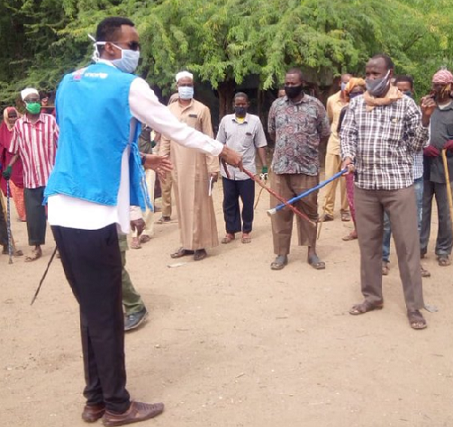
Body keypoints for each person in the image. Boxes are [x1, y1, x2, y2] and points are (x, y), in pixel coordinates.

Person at [44, 16, 241, 426]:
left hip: (61, 209)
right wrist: (221, 149)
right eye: (133, 44)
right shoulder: (128, 85)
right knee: (108, 314)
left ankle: (95, 398)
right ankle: (118, 405)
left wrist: (140, 158)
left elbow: (90, 139)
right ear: (111, 48)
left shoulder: (68, 82)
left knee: (91, 310)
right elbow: (174, 128)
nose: (138, 52)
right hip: (94, 213)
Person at [341, 53, 435, 330]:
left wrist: (426, 119)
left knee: (407, 248)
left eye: (375, 73)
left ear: (389, 74)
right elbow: (348, 136)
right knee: (368, 245)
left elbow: (417, 144)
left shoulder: (405, 105)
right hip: (366, 186)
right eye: (367, 73)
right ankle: (372, 297)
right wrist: (347, 158)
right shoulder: (357, 105)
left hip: (398, 187)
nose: (370, 78)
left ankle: (414, 307)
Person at [268, 67, 330, 270]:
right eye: (287, 83)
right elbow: (272, 132)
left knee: (309, 212)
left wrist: (307, 147)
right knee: (281, 212)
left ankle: (312, 252)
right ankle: (281, 254)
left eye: (294, 83)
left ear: (302, 83)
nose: (289, 86)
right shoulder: (276, 105)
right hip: (281, 169)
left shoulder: (315, 106)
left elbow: (324, 133)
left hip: (307, 168)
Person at [160, 71, 220, 261]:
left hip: (198, 165)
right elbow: (165, 138)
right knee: (183, 205)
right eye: (182, 84)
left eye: (189, 84)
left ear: (193, 86)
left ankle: (200, 245)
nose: (185, 87)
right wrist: (162, 160)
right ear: (177, 86)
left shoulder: (202, 109)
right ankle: (187, 244)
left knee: (199, 205)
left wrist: (213, 167)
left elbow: (209, 138)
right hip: (178, 165)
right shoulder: (169, 111)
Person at [381, 75, 430, 278]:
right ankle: (384, 259)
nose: (402, 93)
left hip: (414, 176)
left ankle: (413, 262)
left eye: (406, 89)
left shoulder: (421, 113)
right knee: (386, 222)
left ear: (412, 90)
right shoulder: (385, 113)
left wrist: (425, 119)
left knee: (414, 222)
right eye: (398, 89)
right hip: (391, 177)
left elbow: (425, 144)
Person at [3, 88, 59, 262]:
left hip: (52, 177)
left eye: (36, 99)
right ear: (24, 104)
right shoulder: (20, 126)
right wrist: (9, 167)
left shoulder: (50, 121)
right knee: (34, 217)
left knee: (57, 214)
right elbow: (16, 150)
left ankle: (61, 246)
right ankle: (36, 247)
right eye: (31, 100)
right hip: (31, 178)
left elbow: (62, 142)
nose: (35, 103)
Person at [216, 92, 268, 244]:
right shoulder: (226, 121)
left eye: (242, 104)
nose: (240, 107)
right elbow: (219, 144)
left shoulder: (255, 121)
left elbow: (260, 144)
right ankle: (230, 231)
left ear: (247, 104)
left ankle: (246, 230)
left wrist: (264, 168)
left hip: (247, 171)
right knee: (229, 202)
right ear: (233, 105)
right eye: (237, 104)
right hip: (228, 172)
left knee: (247, 202)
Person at [420, 69, 453, 267]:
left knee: (445, 211)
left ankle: (443, 249)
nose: (438, 88)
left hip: (448, 169)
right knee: (422, 210)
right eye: (436, 84)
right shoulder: (425, 105)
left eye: (442, 85)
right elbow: (415, 129)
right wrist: (424, 147)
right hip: (424, 167)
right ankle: (420, 247)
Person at [336, 78, 367, 242]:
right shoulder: (345, 111)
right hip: (351, 163)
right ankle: (358, 229)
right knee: (353, 200)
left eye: (360, 93)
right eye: (353, 94)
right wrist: (346, 158)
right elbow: (343, 135)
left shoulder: (372, 109)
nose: (357, 97)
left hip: (369, 163)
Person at [321, 73, 352, 222]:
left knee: (346, 181)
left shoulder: (356, 101)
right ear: (340, 83)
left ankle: (345, 209)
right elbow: (330, 119)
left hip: (350, 148)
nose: (347, 84)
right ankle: (328, 210)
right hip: (334, 144)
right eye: (345, 82)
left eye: (349, 82)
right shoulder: (331, 100)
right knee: (329, 179)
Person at [0, 107, 26, 222]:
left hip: (24, 161)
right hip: (11, 164)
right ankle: (23, 214)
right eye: (10, 117)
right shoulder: (3, 128)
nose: (12, 119)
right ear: (6, 118)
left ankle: (35, 213)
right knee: (16, 190)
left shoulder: (23, 125)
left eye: (14, 116)